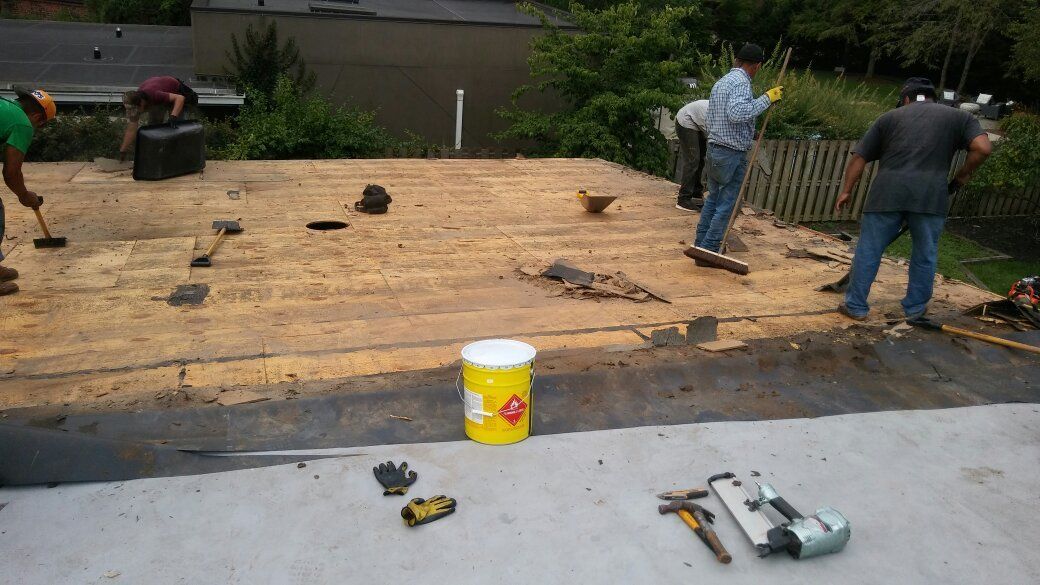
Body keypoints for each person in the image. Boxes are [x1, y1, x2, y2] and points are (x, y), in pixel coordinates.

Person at [835, 77, 992, 321]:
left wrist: (846, 190)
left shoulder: (889, 118)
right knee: (924, 253)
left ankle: (855, 306)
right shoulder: (960, 118)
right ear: (932, 97)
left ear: (906, 98)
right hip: (930, 196)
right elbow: (983, 148)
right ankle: (915, 309)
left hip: (886, 194)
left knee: (869, 249)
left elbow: (859, 157)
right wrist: (962, 176)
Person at [693, 44, 782, 258]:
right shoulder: (742, 83)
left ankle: (699, 245)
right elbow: (736, 113)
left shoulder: (722, 82)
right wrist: (767, 98)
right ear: (756, 65)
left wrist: (749, 130)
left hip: (715, 149)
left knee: (713, 200)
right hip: (731, 153)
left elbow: (722, 117)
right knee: (726, 204)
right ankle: (709, 250)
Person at [1, 87, 54, 296]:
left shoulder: (5, 107)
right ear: (37, 117)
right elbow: (11, 172)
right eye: (41, 125)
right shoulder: (22, 123)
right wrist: (24, 195)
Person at [119, 76, 199, 160]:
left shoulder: (154, 94)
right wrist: (123, 150)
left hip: (176, 93)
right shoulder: (137, 103)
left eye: (135, 109)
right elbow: (131, 129)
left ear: (142, 103)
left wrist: (173, 116)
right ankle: (157, 155)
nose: (134, 112)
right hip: (158, 97)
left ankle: (179, 155)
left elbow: (180, 98)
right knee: (153, 128)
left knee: (176, 126)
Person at [675, 99, 709, 212]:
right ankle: (683, 199)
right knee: (693, 160)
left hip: (697, 122)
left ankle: (695, 192)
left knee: (701, 159)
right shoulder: (718, 118)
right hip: (685, 121)